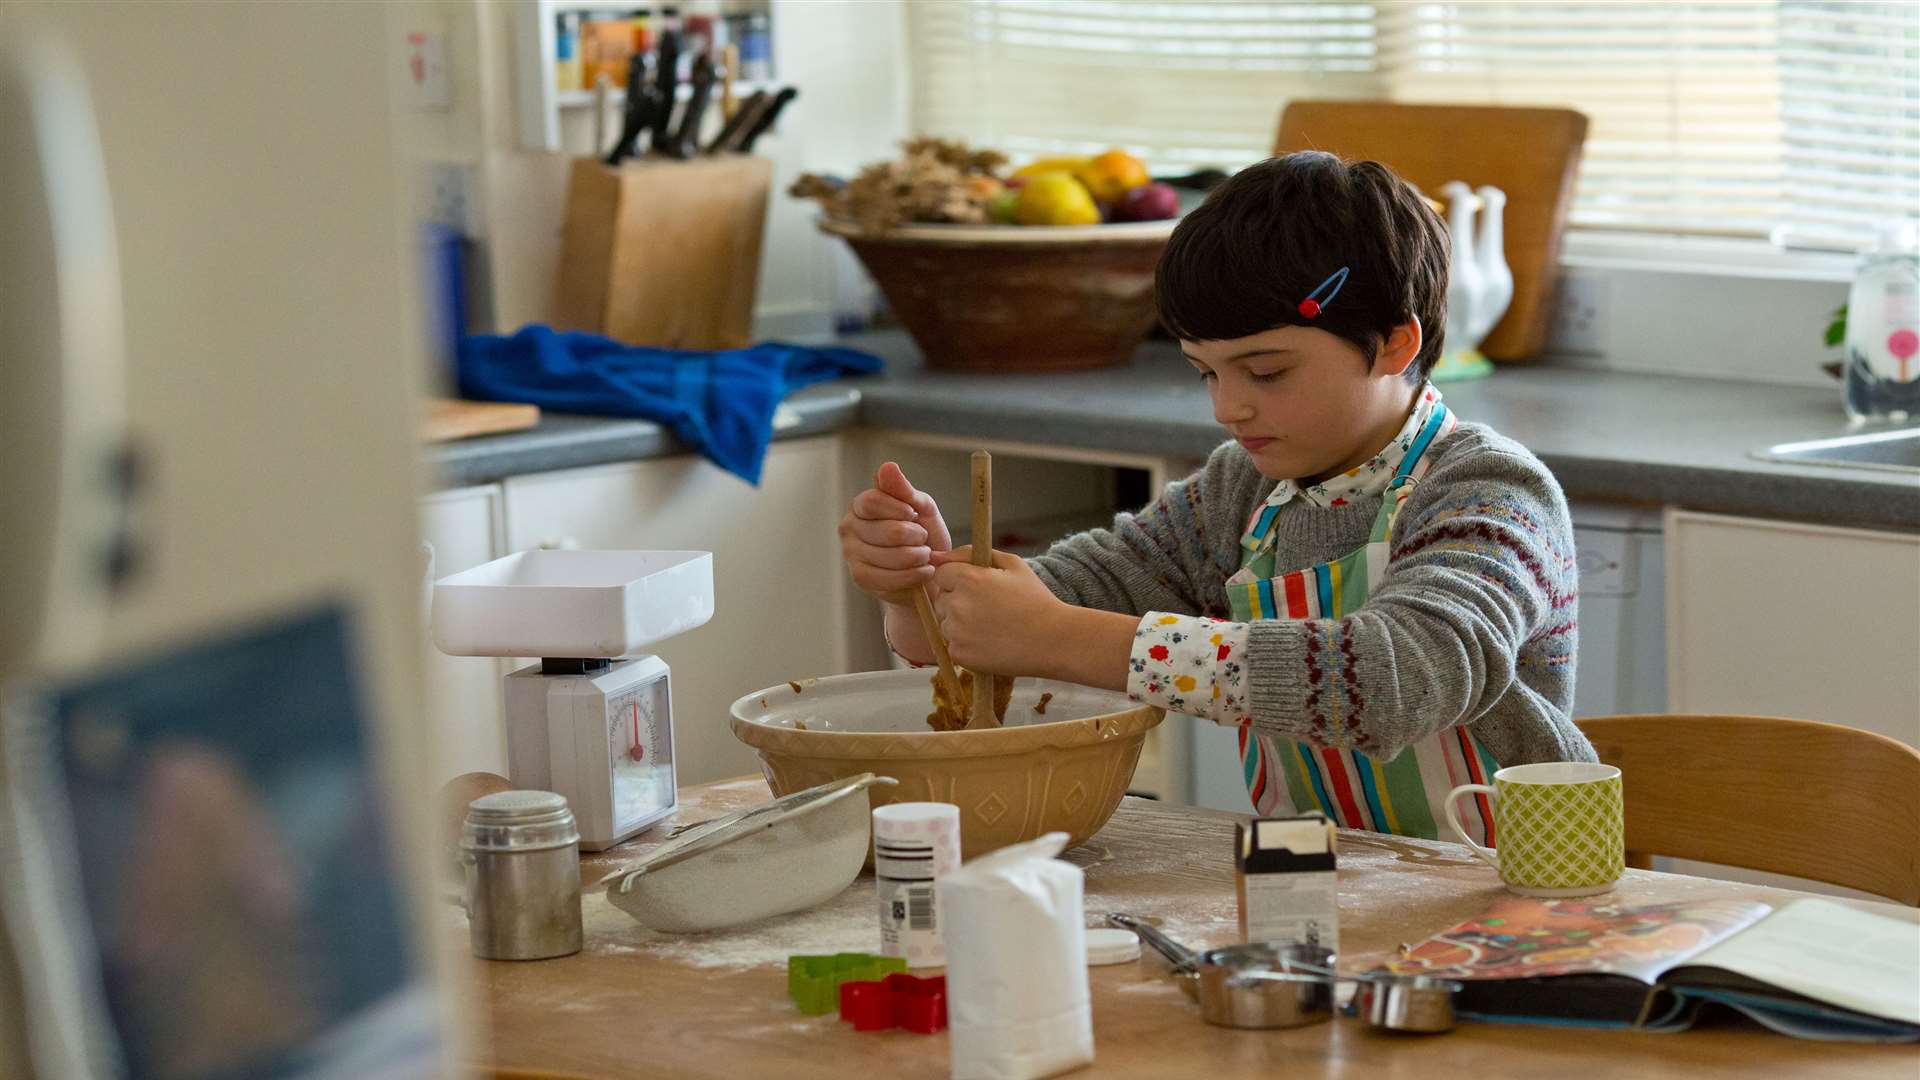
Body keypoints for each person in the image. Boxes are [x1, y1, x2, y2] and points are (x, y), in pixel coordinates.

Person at [838, 151, 1591, 844]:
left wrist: (1057, 636)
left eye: (1264, 373)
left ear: (1396, 344)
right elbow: (1054, 599)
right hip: (1318, 873)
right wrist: (927, 587)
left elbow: (1401, 678)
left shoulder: (1488, 491)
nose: (1229, 408)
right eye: (1207, 372)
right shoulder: (1243, 490)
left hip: (1517, 889)